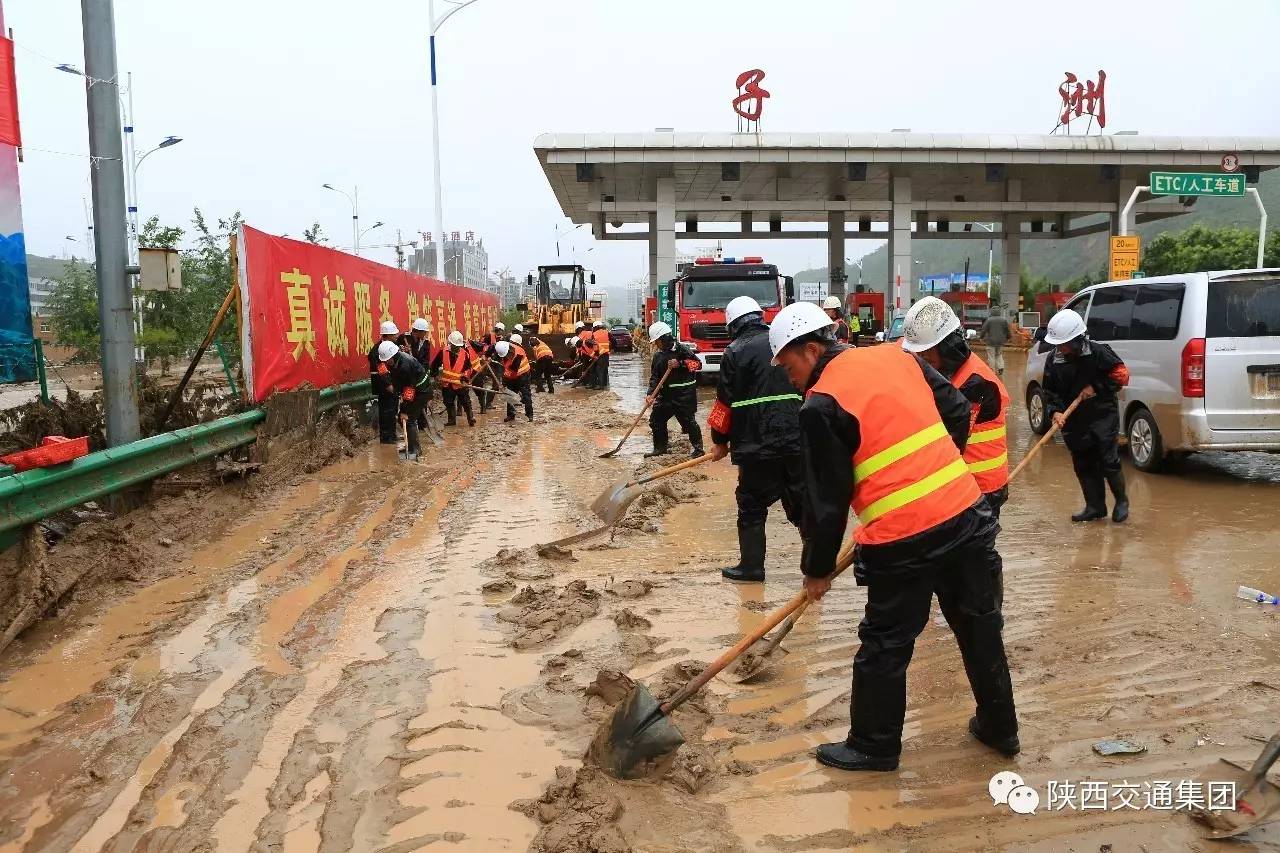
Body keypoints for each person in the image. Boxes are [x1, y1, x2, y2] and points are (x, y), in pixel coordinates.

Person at [769, 300, 1018, 772]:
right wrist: (937, 468)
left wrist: (816, 570)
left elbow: (826, 503)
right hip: (966, 514)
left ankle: (873, 745)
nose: (789, 378)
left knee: (886, 643)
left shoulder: (820, 406)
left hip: (904, 542)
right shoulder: (896, 355)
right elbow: (958, 413)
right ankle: (1000, 728)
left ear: (811, 349)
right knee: (980, 626)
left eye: (788, 366)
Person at [707, 296, 806, 583]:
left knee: (751, 505)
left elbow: (723, 403)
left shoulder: (734, 351)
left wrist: (719, 440)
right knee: (802, 506)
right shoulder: (784, 343)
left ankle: (751, 568)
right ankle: (814, 567)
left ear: (733, 325)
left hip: (755, 446)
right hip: (796, 441)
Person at [902, 297, 1010, 518]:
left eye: (925, 354)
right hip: (960, 484)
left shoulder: (976, 384)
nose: (921, 360)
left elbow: (945, 441)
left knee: (973, 552)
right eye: (918, 355)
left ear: (947, 347)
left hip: (980, 489)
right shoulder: (944, 372)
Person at [1041, 309, 1130, 523]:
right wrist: (1055, 411)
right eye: (1058, 344)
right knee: (1083, 462)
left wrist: (1096, 387)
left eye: (1064, 344)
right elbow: (1049, 390)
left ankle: (1121, 501)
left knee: (1108, 460)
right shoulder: (1054, 360)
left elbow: (1121, 376)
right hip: (1073, 419)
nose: (1060, 348)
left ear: (1077, 339)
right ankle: (1095, 507)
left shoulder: (1099, 352)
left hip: (1102, 414)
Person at [646, 321, 704, 458]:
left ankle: (698, 449)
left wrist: (681, 364)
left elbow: (698, 365)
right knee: (656, 421)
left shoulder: (683, 350)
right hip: (666, 396)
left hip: (684, 396)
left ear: (664, 338)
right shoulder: (658, 356)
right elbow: (655, 377)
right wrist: (650, 394)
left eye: (657, 341)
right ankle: (660, 448)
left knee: (689, 423)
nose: (656, 344)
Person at [376, 340, 430, 459]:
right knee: (403, 419)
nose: (386, 363)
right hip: (412, 388)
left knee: (408, 418)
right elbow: (385, 370)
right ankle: (411, 446)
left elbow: (409, 389)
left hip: (421, 391)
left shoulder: (405, 365)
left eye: (387, 360)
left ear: (392, 356)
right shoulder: (395, 361)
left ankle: (415, 450)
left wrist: (405, 409)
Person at [432, 330, 477, 427]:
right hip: (447, 384)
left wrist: (465, 377)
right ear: (450, 344)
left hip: (460, 383)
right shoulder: (443, 352)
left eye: (458, 346)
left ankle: (471, 418)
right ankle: (451, 420)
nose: (457, 348)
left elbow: (469, 368)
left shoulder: (465, 354)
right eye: (455, 346)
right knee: (448, 402)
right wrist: (435, 375)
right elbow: (434, 365)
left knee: (466, 401)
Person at [368, 320, 401, 444]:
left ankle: (392, 435)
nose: (396, 336)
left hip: (391, 383)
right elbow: (381, 369)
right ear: (386, 336)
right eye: (394, 335)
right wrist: (388, 384)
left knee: (392, 409)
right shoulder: (377, 351)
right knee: (386, 410)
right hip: (383, 385)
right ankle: (386, 437)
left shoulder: (391, 346)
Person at [495, 340, 534, 422]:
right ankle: (511, 415)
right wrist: (504, 385)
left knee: (526, 395)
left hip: (523, 375)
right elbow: (507, 370)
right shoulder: (505, 347)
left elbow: (511, 373)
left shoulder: (518, 355)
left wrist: (504, 383)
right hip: (513, 375)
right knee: (509, 395)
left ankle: (529, 415)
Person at [978, 309, 1012, 377]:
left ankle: (992, 371)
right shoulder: (1004, 320)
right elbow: (1007, 330)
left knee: (991, 356)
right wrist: (1008, 337)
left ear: (992, 312)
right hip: (1000, 341)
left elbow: (984, 329)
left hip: (991, 341)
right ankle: (1000, 367)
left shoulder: (989, 320)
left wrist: (981, 337)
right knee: (999, 355)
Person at [591, 320, 612, 388]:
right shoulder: (607, 332)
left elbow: (595, 346)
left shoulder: (594, 334)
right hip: (606, 354)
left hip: (600, 354)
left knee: (599, 369)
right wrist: (611, 349)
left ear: (595, 327)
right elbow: (614, 341)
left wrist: (596, 354)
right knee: (605, 369)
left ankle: (600, 385)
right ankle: (605, 384)